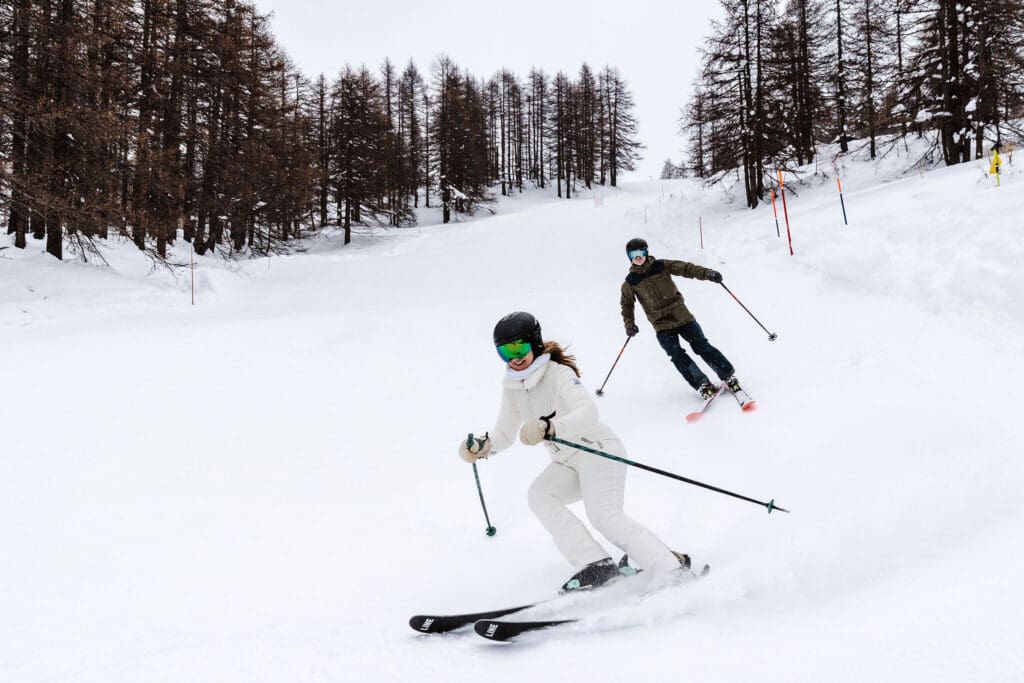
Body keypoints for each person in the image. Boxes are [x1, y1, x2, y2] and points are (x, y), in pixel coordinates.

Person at [459, 311, 690, 593]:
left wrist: (550, 427)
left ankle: (670, 571)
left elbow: (588, 412)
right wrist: (483, 447)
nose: (514, 357)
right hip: (565, 461)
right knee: (540, 495)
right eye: (505, 352)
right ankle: (595, 564)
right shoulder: (512, 387)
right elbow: (504, 434)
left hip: (597, 449)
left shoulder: (558, 374)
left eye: (520, 348)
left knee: (604, 516)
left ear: (535, 343)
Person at [620, 237, 742, 400]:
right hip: (662, 325)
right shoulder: (630, 282)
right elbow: (627, 305)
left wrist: (708, 274)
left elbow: (686, 269)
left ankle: (727, 375)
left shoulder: (661, 266)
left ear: (646, 252)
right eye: (633, 254)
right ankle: (702, 384)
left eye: (641, 252)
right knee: (676, 354)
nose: (638, 257)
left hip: (682, 316)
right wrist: (630, 324)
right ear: (629, 256)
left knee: (701, 345)